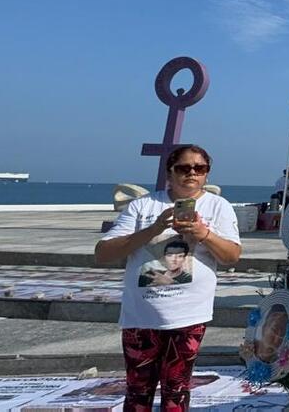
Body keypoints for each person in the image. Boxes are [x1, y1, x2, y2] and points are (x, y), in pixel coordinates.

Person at [95, 144, 241, 412]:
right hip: (141, 317)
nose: (192, 173)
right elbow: (103, 253)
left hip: (188, 316)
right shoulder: (143, 205)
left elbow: (231, 256)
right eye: (184, 168)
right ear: (170, 172)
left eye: (200, 168)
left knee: (177, 390)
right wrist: (155, 228)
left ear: (207, 173)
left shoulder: (218, 206)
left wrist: (204, 234)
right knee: (138, 391)